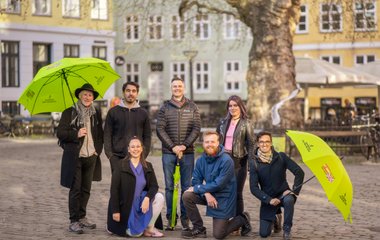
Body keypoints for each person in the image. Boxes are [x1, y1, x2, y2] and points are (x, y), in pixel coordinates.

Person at [182, 131, 252, 239]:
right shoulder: (200, 160)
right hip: (209, 194)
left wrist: (200, 189)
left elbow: (219, 184)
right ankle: (199, 228)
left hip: (224, 198)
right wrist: (206, 193)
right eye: (207, 142)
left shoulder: (226, 161)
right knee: (187, 195)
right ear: (203, 143)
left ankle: (242, 219)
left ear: (218, 143)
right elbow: (196, 180)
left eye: (212, 142)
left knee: (219, 235)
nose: (209, 144)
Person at [57, 83, 104, 234]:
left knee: (86, 189)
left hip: (91, 156)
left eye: (90, 95)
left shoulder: (95, 112)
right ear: (79, 96)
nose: (87, 97)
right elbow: (60, 133)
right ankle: (74, 221)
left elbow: (100, 134)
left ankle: (82, 217)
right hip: (75, 156)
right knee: (75, 189)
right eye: (85, 94)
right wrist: (75, 134)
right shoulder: (70, 112)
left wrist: (97, 150)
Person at [156, 77, 201, 230]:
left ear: (184, 88)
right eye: (174, 86)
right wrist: (173, 147)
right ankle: (171, 218)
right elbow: (160, 129)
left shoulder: (193, 107)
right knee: (169, 187)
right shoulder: (164, 108)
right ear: (171, 88)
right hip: (168, 153)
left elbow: (196, 128)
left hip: (187, 153)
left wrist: (183, 146)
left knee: (187, 186)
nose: (177, 88)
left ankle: (185, 219)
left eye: (179, 86)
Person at [249, 131, 304, 240]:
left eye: (267, 141)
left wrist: (293, 191)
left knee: (289, 200)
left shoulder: (281, 157)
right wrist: (268, 199)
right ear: (258, 144)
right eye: (261, 142)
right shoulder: (254, 163)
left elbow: (299, 172)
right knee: (264, 234)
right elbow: (254, 188)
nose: (264, 144)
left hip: (284, 194)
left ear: (271, 143)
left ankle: (287, 229)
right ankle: (276, 218)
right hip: (268, 199)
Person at [106, 137, 164, 237]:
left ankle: (149, 228)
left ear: (142, 149)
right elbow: (114, 190)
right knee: (135, 235)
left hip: (141, 204)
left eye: (138, 146)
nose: (135, 149)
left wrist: (147, 198)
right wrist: (115, 211)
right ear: (128, 149)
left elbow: (154, 186)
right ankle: (134, 228)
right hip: (127, 206)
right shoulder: (120, 165)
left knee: (160, 197)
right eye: (132, 147)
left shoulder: (148, 166)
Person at [216, 95, 255, 221]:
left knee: (237, 193)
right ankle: (225, 218)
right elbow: (216, 141)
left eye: (235, 105)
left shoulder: (246, 123)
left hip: (239, 161)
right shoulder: (222, 122)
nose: (233, 108)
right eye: (230, 106)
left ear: (240, 107)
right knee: (224, 191)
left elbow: (250, 144)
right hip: (223, 160)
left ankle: (239, 220)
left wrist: (251, 163)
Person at [104, 81, 151, 172]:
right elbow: (107, 134)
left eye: (134, 91)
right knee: (117, 185)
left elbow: (147, 136)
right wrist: (110, 156)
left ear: (137, 93)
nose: (131, 93)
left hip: (137, 156)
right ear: (123, 92)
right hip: (117, 157)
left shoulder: (143, 113)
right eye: (128, 90)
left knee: (135, 185)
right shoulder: (113, 112)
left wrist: (143, 155)